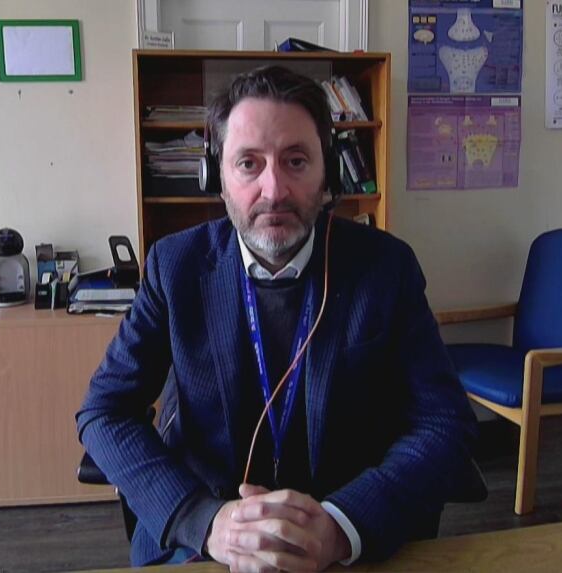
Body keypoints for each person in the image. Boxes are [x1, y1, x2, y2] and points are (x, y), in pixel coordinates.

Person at [76, 65, 478, 571]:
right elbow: (105, 411)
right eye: (248, 163)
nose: (274, 190)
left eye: (295, 160)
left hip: (350, 539)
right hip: (206, 542)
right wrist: (204, 520)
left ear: (325, 173)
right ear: (215, 177)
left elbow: (445, 423)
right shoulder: (174, 267)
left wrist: (341, 525)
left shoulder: (386, 268)